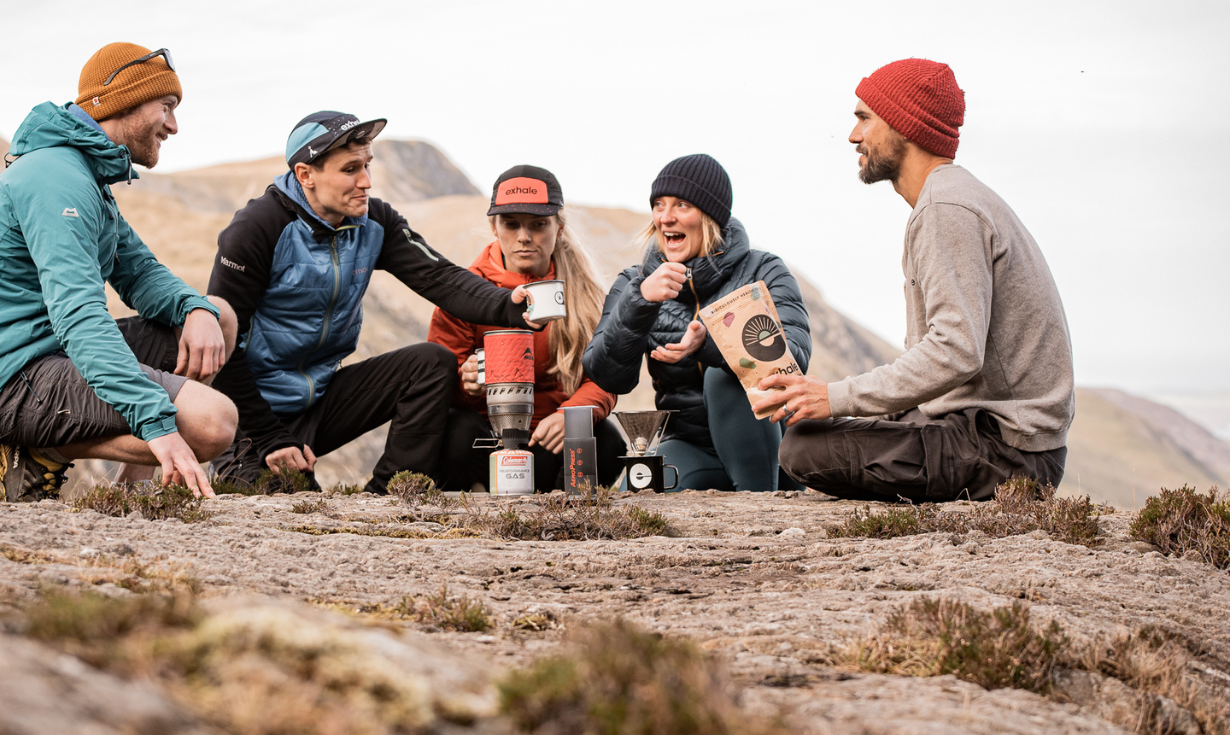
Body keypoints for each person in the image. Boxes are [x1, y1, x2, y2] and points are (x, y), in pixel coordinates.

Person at [757, 58, 1074, 502]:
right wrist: (832, 404)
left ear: (904, 126)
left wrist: (835, 396)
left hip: (1008, 454)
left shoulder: (946, 210)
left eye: (865, 119)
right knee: (814, 430)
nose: (853, 136)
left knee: (803, 450)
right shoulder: (949, 198)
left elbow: (956, 351)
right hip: (984, 431)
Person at [0, 43, 239, 502]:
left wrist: (194, 308)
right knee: (212, 424)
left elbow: (140, 274)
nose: (174, 125)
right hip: (15, 380)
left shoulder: (85, 175)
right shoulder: (55, 178)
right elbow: (80, 318)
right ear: (123, 102)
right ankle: (36, 448)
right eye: (166, 107)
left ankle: (135, 490)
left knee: (216, 317)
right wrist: (157, 423)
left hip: (56, 356)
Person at [206, 111, 536, 493]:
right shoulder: (257, 229)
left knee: (431, 363)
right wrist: (269, 437)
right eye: (350, 169)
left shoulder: (374, 222)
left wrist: (509, 304)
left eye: (367, 165)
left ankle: (389, 494)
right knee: (291, 506)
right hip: (248, 417)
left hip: (319, 401)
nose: (366, 181)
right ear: (305, 175)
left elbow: (440, 278)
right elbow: (223, 348)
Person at [582, 155, 811, 492]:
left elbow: (792, 357)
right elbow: (608, 374)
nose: (666, 217)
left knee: (724, 376)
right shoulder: (636, 284)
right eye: (658, 204)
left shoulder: (764, 271)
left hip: (773, 446)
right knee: (633, 496)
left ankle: (764, 508)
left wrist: (708, 346)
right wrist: (640, 303)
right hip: (693, 446)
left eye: (682, 205)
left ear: (710, 215)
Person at [429, 165, 623, 492]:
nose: (524, 237)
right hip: (488, 444)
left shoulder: (586, 294)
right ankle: (478, 503)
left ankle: (566, 510)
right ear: (493, 226)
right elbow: (437, 383)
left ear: (559, 227)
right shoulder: (464, 292)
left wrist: (571, 416)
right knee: (454, 431)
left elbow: (604, 377)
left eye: (538, 224)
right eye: (510, 224)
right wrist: (465, 384)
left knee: (606, 440)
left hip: (552, 441)